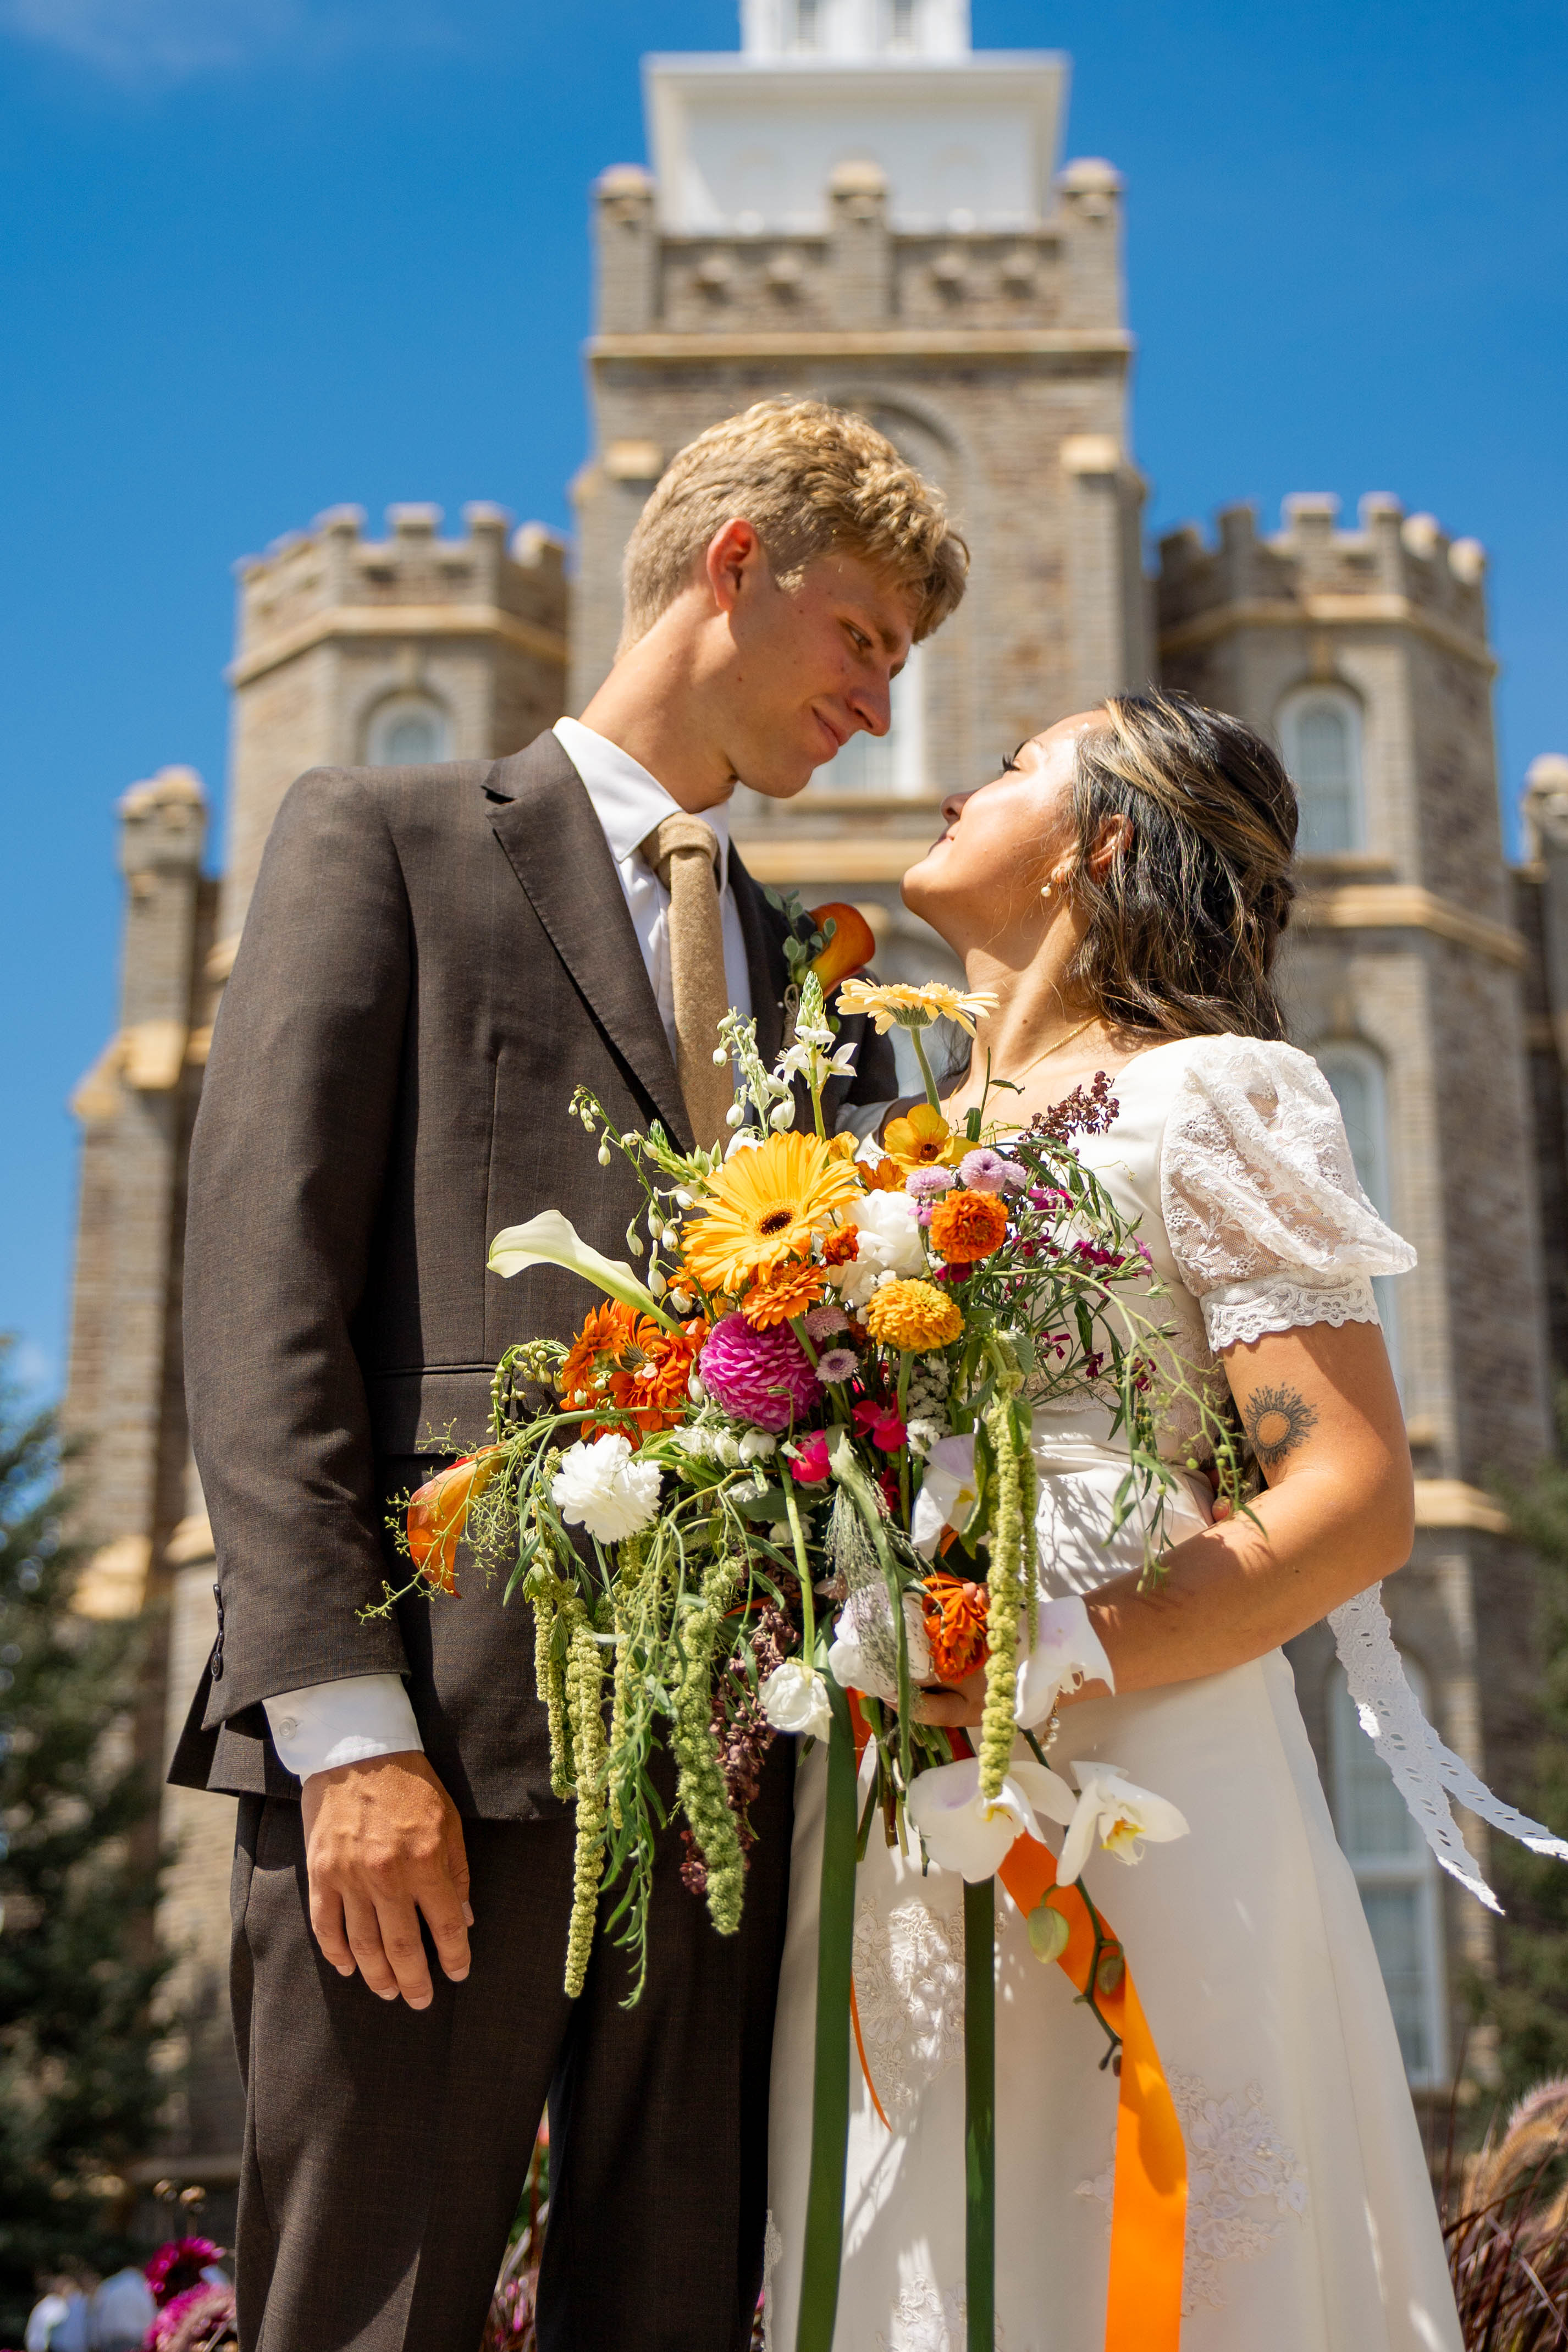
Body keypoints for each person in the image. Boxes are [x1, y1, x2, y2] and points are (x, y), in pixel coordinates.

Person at [169, 397, 965, 2352]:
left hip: (732, 1786)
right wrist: (345, 1733)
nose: (876, 700)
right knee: (372, 2315)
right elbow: (259, 1291)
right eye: (863, 637)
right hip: (432, 1744)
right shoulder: (390, 838)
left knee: (677, 2311)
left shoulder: (812, 974)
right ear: (732, 566)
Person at [765, 692, 1467, 2349]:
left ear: (1099, 844)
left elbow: (1352, 1494)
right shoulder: (884, 1146)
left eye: (1008, 767)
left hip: (1143, 1778)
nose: (951, 778)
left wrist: (1057, 1649)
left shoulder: (1215, 1095)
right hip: (886, 1793)